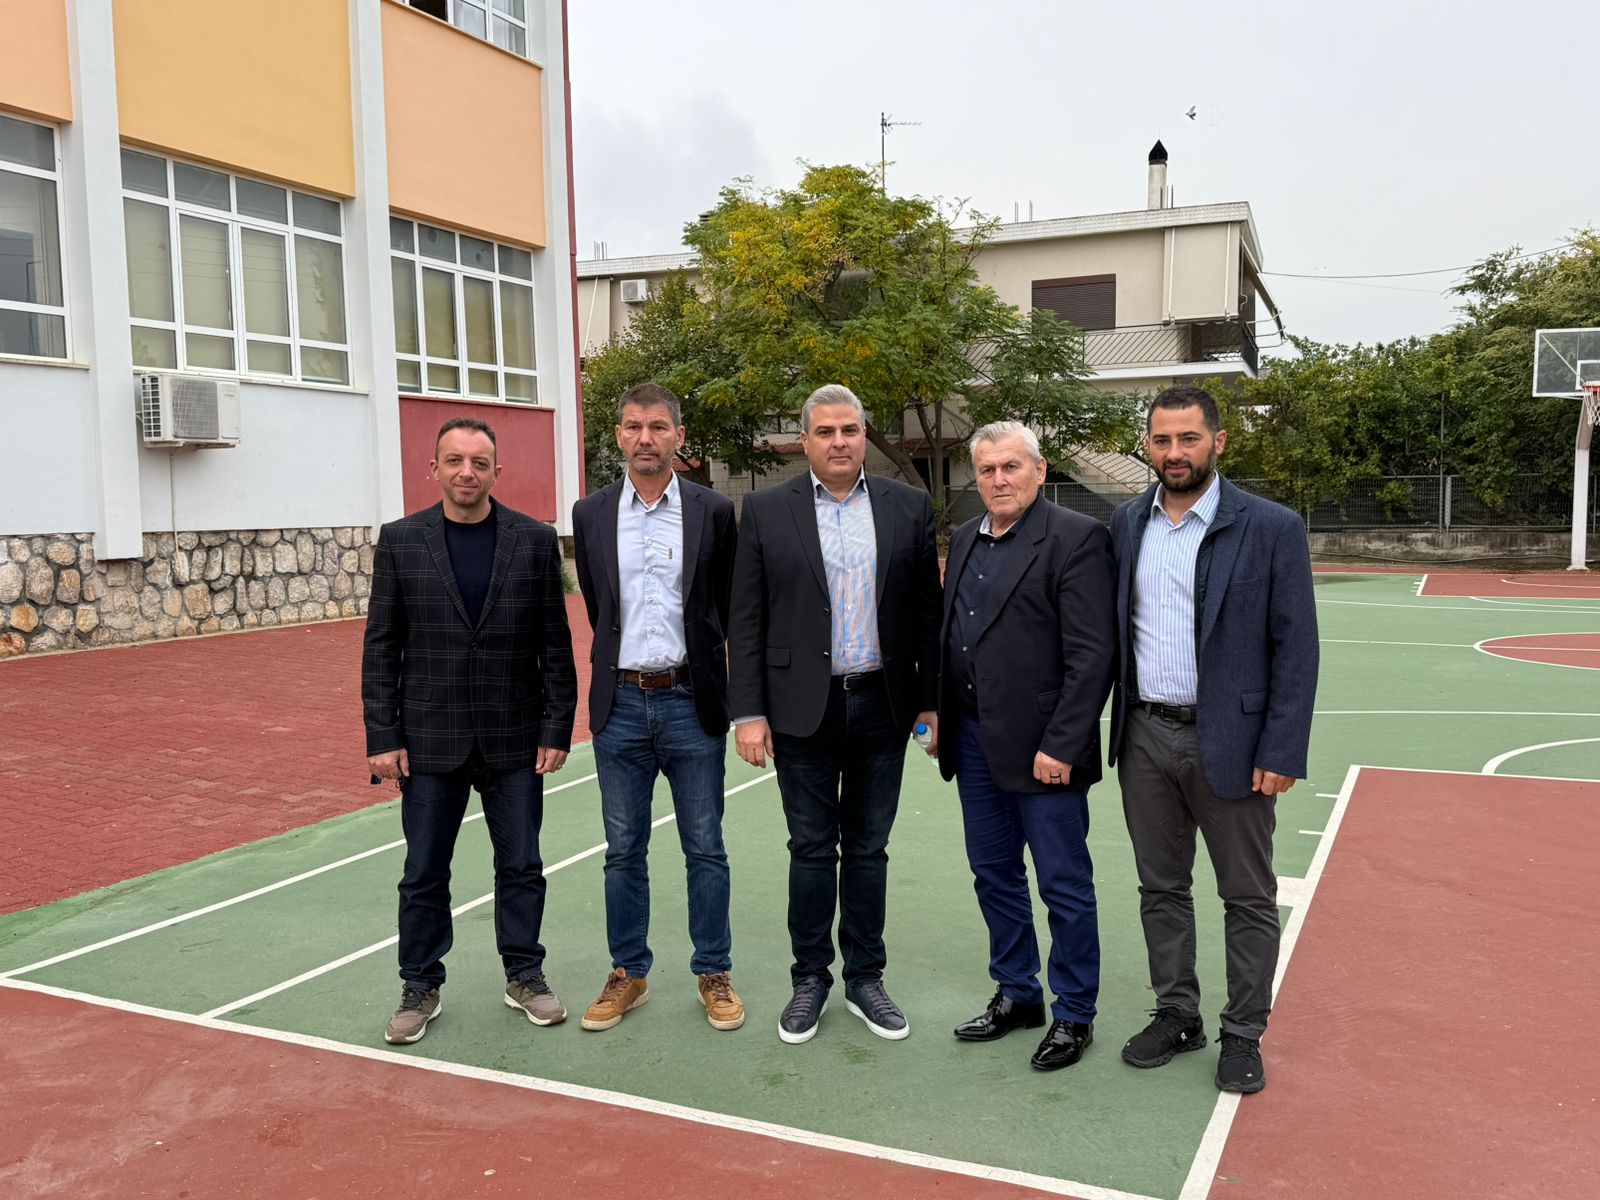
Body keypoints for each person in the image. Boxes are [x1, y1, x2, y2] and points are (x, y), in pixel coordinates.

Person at [1107, 385, 1318, 1094]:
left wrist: (1282, 749)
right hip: (1144, 735)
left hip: (1234, 742)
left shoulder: (1271, 526)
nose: (1175, 453)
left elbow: (1296, 647)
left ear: (1218, 442)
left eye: (1188, 439)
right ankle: (1177, 1014)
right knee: (1161, 887)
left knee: (1248, 896)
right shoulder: (1126, 524)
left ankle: (1243, 1031)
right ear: (1148, 445)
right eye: (1162, 440)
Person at [728, 384, 941, 1045]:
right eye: (825, 431)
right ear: (805, 441)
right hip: (801, 709)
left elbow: (927, 617)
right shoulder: (766, 510)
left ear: (865, 435)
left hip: (883, 704)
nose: (840, 441)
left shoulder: (908, 506)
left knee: (869, 849)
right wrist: (748, 712)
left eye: (850, 429)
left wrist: (931, 703)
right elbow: (747, 617)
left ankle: (865, 978)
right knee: (812, 849)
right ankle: (810, 979)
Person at [362, 417, 578, 1045]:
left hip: (515, 737)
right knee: (425, 871)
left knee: (522, 865)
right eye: (454, 461)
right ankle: (420, 984)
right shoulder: (401, 541)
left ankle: (525, 975)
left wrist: (557, 726)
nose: (466, 472)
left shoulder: (534, 541)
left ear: (495, 472)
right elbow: (382, 646)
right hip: (430, 738)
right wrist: (383, 736)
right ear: (434, 468)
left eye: (479, 463)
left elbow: (555, 644)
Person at [936, 422, 1118, 1071]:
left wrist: (1063, 744)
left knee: (1063, 885)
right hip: (973, 740)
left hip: (1045, 749)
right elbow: (954, 636)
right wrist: (939, 716)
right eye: (987, 470)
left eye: (1011, 466)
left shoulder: (1076, 537)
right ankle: (1018, 993)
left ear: (1039, 471)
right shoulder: (966, 538)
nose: (999, 479)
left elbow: (1093, 654)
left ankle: (1074, 1012)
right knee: (994, 875)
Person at [570, 383, 743, 1033]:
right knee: (623, 850)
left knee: (705, 847)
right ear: (619, 434)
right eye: (635, 426)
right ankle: (629, 972)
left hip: (691, 702)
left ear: (679, 436)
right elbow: (599, 606)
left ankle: (714, 972)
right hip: (619, 705)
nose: (646, 438)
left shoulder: (713, 511)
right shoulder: (590, 514)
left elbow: (724, 605)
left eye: (659, 427)